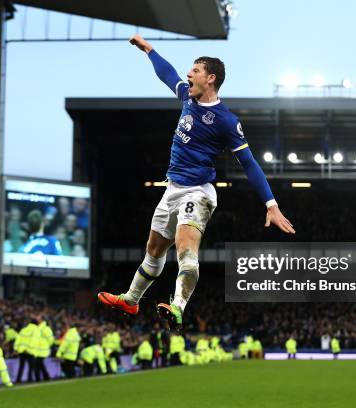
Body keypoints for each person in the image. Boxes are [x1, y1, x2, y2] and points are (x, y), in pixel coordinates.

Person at [98, 35, 295, 331]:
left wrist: (272, 205)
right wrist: (149, 51)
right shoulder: (187, 98)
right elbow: (168, 74)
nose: (188, 74)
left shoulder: (226, 121)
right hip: (172, 189)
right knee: (153, 250)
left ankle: (177, 306)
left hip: (198, 192)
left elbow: (249, 163)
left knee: (185, 247)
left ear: (211, 79)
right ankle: (131, 299)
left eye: (195, 70)